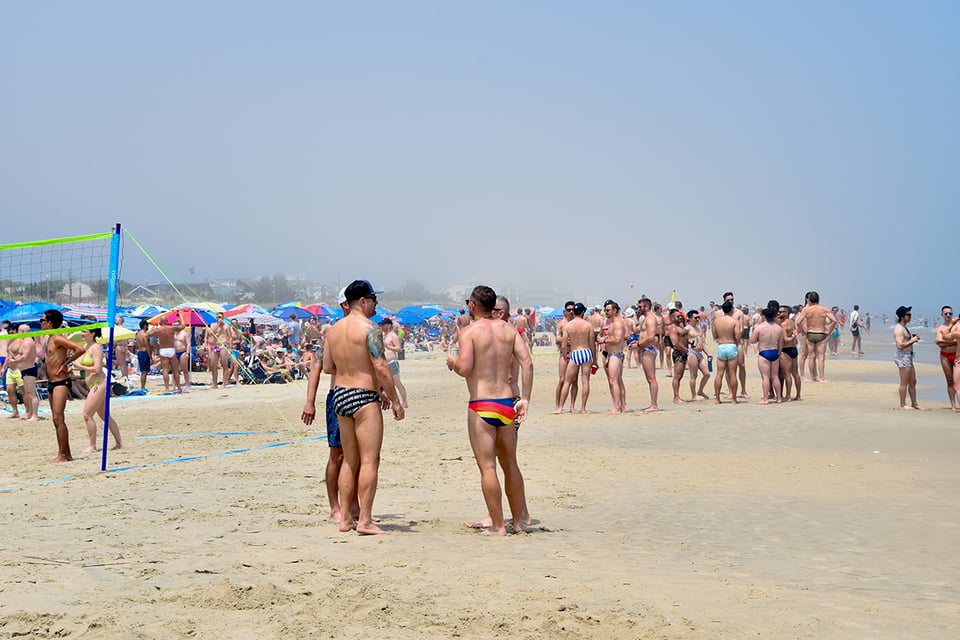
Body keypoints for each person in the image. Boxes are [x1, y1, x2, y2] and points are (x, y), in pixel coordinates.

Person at [447, 285, 532, 536]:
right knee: (511, 464)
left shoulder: (469, 332)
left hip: (481, 403)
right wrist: (525, 398)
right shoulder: (509, 330)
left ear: (472, 305)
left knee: (488, 468)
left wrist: (452, 362)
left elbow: (464, 368)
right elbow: (527, 363)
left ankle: (497, 525)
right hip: (506, 402)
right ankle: (518, 521)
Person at [323, 279, 403, 535]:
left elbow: (328, 367)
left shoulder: (334, 330)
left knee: (349, 461)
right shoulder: (370, 329)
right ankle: (365, 520)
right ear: (363, 301)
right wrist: (395, 400)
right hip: (363, 396)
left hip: (341, 395)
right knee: (369, 461)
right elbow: (380, 366)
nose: (376, 303)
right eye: (373, 299)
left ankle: (346, 519)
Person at [41, 310, 86, 462]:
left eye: (43, 321)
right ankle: (66, 454)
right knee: (56, 419)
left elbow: (80, 349)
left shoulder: (58, 338)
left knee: (58, 418)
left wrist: (67, 364)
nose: (41, 323)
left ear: (50, 323)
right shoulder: (49, 338)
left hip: (61, 382)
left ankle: (63, 455)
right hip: (51, 382)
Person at [73, 327, 122, 452]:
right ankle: (119, 443)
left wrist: (80, 366)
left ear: (93, 333)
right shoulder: (86, 346)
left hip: (98, 384)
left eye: (85, 331)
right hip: (93, 384)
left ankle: (92, 446)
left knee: (87, 414)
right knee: (105, 416)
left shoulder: (96, 348)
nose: (82, 333)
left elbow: (97, 369)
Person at [555, 302, 595, 414]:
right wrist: (595, 359)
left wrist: (564, 356)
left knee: (567, 382)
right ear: (582, 312)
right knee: (585, 381)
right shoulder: (588, 325)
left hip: (575, 353)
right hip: (586, 352)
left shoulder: (568, 326)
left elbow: (563, 344)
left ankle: (559, 407)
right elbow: (592, 344)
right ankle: (583, 408)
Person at [795, 291, 839, 383]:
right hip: (820, 333)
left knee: (811, 356)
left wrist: (804, 332)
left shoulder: (806, 310)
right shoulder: (824, 309)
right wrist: (828, 332)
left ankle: (812, 378)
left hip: (810, 333)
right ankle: (822, 378)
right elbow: (834, 321)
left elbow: (798, 322)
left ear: (809, 300)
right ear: (818, 299)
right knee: (821, 357)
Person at [3, 324, 41, 421]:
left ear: (22, 331)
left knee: (29, 393)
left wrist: (14, 361)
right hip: (22, 369)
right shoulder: (22, 341)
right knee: (24, 392)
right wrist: (9, 363)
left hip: (28, 369)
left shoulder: (27, 342)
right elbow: (18, 356)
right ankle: (28, 413)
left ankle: (33, 414)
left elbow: (24, 356)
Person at [598, 299, 628, 413]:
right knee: (616, 380)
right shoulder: (611, 323)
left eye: (608, 310)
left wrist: (604, 339)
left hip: (615, 354)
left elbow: (617, 339)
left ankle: (617, 406)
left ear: (615, 310)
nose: (606, 312)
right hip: (611, 354)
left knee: (613, 380)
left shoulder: (618, 323)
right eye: (605, 310)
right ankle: (620, 406)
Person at [750, 308, 784, 405]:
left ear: (763, 317)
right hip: (774, 352)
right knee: (775, 376)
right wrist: (779, 352)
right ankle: (779, 398)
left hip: (764, 352)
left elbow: (752, 340)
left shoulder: (760, 327)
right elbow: (780, 343)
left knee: (765, 377)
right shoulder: (779, 328)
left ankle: (765, 398)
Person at [893, 305, 923, 410]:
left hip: (908, 356)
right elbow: (900, 345)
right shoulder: (899, 329)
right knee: (904, 382)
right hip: (903, 356)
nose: (910, 317)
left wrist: (913, 339)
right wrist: (912, 340)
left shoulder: (905, 327)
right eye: (908, 315)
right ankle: (902, 404)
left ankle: (914, 403)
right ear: (902, 316)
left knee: (913, 381)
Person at [712, 300, 740, 404]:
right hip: (731, 344)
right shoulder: (734, 321)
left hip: (721, 345)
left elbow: (715, 336)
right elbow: (737, 337)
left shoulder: (717, 321)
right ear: (732, 310)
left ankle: (717, 398)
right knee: (732, 374)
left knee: (719, 374)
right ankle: (733, 398)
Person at [635, 297, 659, 413]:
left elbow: (650, 337)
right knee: (649, 378)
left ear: (647, 306)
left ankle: (654, 405)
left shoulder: (650, 319)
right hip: (646, 349)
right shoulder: (645, 319)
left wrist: (638, 344)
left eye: (641, 307)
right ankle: (653, 404)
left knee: (651, 378)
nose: (639, 308)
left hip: (649, 349)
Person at [554, 301, 577, 411]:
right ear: (565, 311)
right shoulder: (561, 323)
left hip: (575, 353)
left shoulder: (578, 323)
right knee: (562, 379)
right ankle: (558, 404)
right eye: (569, 310)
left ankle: (572, 406)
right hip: (564, 353)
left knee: (574, 380)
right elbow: (557, 339)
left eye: (573, 309)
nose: (571, 312)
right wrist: (567, 341)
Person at [379, 318, 408, 408]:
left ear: (388, 325)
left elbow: (398, 348)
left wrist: (388, 346)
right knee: (384, 383)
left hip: (392, 362)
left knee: (397, 383)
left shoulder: (393, 336)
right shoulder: (383, 335)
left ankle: (405, 402)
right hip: (384, 362)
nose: (382, 326)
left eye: (383, 325)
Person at [685, 310, 711, 401]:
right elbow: (681, 339)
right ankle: (693, 395)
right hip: (692, 353)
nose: (697, 319)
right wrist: (688, 344)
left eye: (698, 317)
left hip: (700, 353)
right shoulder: (687, 328)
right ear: (690, 319)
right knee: (693, 376)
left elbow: (702, 343)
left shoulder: (699, 328)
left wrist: (708, 353)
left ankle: (700, 391)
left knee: (707, 374)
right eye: (695, 318)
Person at [150, 317, 182, 393]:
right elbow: (182, 327)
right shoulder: (172, 328)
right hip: (171, 349)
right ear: (167, 321)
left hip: (163, 349)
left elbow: (149, 334)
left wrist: (153, 330)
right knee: (175, 370)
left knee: (165, 370)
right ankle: (179, 387)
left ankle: (167, 388)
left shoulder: (159, 330)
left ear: (160, 322)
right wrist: (181, 318)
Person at [935, 305, 957, 411]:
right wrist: (952, 342)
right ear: (942, 315)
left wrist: (946, 342)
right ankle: (953, 404)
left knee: (958, 380)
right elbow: (939, 343)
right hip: (944, 355)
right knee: (949, 380)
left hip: (957, 354)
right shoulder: (940, 328)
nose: (948, 315)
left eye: (950, 313)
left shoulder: (957, 326)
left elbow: (958, 341)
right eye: (946, 313)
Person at [778, 305, 802, 401]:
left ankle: (788, 396)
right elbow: (796, 331)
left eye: (782, 312)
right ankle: (798, 395)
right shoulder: (792, 322)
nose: (780, 313)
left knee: (787, 374)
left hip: (786, 350)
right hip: (793, 349)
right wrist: (793, 335)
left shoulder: (783, 324)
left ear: (787, 312)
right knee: (795, 373)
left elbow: (785, 339)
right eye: (779, 312)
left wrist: (792, 336)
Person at [667, 309, 690, 404]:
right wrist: (685, 350)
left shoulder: (680, 326)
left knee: (680, 376)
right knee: (677, 376)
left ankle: (677, 396)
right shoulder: (673, 328)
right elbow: (675, 343)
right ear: (672, 318)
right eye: (678, 316)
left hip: (683, 352)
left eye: (680, 316)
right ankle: (676, 397)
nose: (680, 317)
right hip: (679, 353)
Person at [174, 320, 192, 390]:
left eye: (177, 325)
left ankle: (187, 384)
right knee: (175, 370)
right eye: (174, 325)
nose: (175, 326)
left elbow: (188, 343)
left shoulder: (184, 333)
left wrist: (187, 353)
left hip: (183, 351)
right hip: (175, 352)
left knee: (184, 369)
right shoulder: (172, 333)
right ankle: (174, 385)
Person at [135, 319, 152, 391]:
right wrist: (150, 356)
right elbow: (147, 346)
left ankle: (142, 386)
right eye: (147, 325)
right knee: (144, 372)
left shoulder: (138, 334)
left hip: (140, 352)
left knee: (143, 371)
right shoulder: (145, 335)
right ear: (145, 326)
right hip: (144, 353)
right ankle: (142, 387)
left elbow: (136, 345)